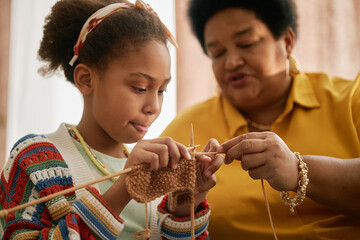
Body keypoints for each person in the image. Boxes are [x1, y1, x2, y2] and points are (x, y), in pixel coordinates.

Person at [0, 0, 223, 239]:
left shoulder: (158, 172)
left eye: (161, 90)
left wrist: (185, 205)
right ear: (86, 79)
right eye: (139, 88)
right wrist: (123, 190)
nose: (153, 107)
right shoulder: (35, 160)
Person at [161, 0, 360, 239]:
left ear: (287, 41)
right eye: (218, 53)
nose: (232, 62)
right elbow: (153, 224)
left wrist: (299, 171)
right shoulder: (183, 131)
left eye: (246, 44)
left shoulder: (350, 101)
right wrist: (183, 206)